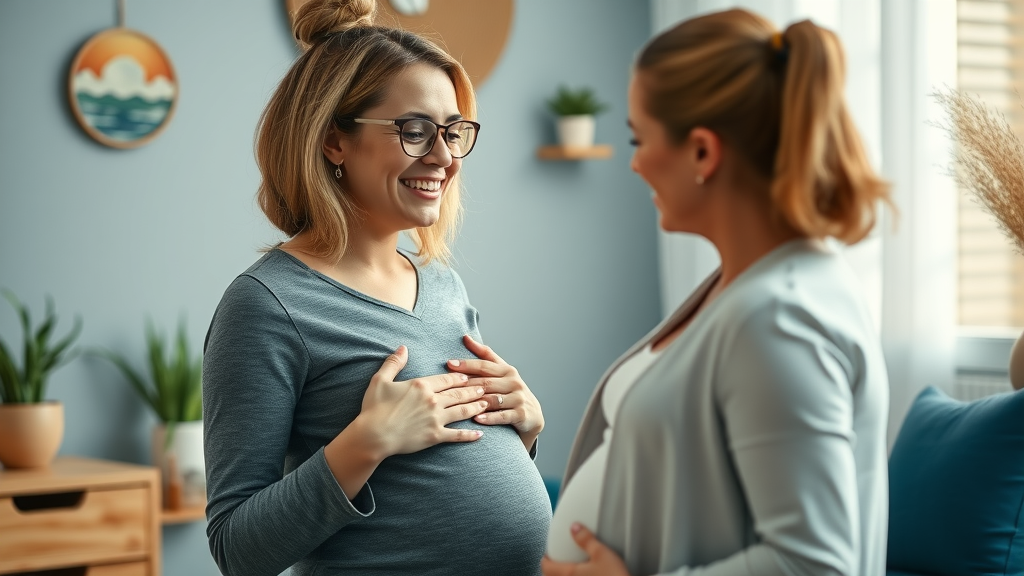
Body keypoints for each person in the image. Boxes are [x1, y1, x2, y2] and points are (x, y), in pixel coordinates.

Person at [201, 1, 550, 574]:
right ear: (334, 141)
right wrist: (367, 440)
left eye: (453, 132)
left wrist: (524, 427)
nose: (444, 158)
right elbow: (237, 549)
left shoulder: (442, 284)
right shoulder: (266, 306)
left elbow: (455, 476)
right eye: (415, 131)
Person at [542, 9, 891, 576]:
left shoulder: (780, 316)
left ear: (702, 151)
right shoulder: (747, 284)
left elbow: (813, 566)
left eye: (639, 138)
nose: (634, 164)